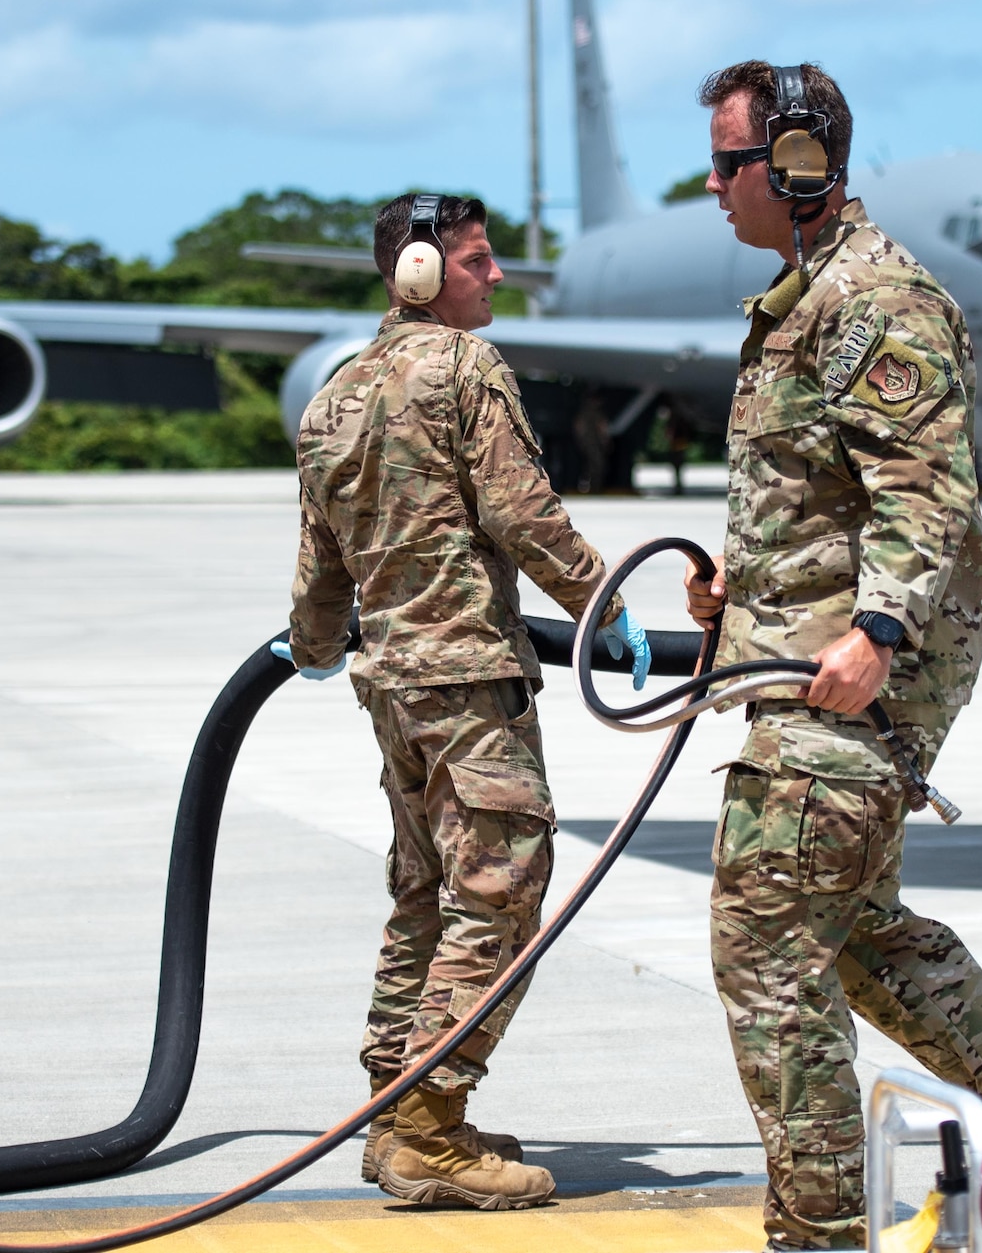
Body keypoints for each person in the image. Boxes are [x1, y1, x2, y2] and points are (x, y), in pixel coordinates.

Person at [683, 62, 982, 1250]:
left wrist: (877, 632)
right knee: (863, 944)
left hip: (852, 688)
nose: (712, 186)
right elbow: (819, 502)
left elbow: (923, 495)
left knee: (762, 944)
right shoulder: (805, 298)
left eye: (729, 163)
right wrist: (734, 596)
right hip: (796, 668)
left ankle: (818, 1232)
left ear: (799, 168)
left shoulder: (875, 303)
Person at [279, 192, 650, 1211]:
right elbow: (520, 509)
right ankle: (428, 1130)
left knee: (423, 900)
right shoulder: (463, 367)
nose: (497, 277)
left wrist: (309, 648)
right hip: (465, 684)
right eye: (479, 261)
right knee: (501, 892)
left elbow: (319, 570)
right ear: (418, 274)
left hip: (391, 688)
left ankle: (387, 1113)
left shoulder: (334, 395)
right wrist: (603, 603)